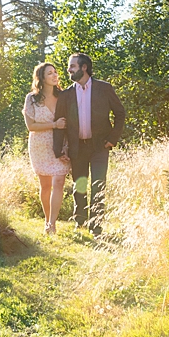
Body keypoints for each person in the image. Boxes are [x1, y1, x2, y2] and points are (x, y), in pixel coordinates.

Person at [53, 53, 126, 236]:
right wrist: (58, 149)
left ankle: (96, 226)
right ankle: (80, 222)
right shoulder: (66, 95)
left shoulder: (104, 88)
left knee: (98, 185)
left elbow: (120, 113)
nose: (69, 70)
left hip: (100, 146)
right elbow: (59, 122)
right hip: (77, 147)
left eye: (73, 66)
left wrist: (112, 139)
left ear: (84, 67)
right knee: (80, 185)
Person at [22, 62, 71, 235]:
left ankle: (52, 224)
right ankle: (46, 219)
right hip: (39, 146)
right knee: (45, 185)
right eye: (50, 73)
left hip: (59, 145)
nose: (54, 75)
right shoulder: (32, 99)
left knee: (59, 181)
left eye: (55, 72)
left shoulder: (63, 97)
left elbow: (70, 123)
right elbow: (31, 126)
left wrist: (66, 146)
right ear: (41, 77)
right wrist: (54, 125)